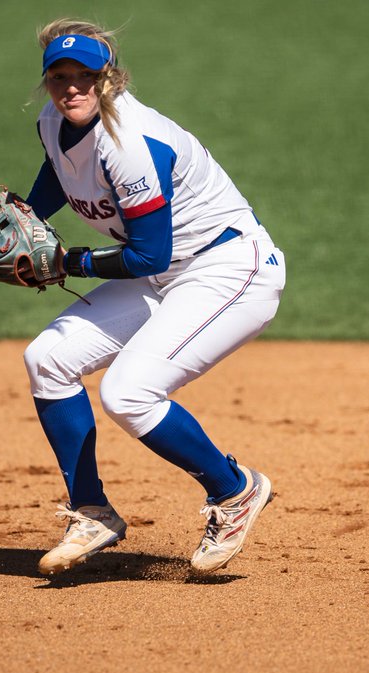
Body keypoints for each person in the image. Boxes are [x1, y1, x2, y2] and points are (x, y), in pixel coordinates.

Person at [17, 19, 286, 576]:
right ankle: (91, 512)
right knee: (47, 359)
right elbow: (59, 172)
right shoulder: (54, 120)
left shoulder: (132, 144)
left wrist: (66, 262)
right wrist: (25, 222)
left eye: (84, 77)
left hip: (229, 268)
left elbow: (148, 257)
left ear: (108, 79)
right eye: (59, 77)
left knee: (129, 392)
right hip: (163, 273)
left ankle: (234, 491)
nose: (70, 88)